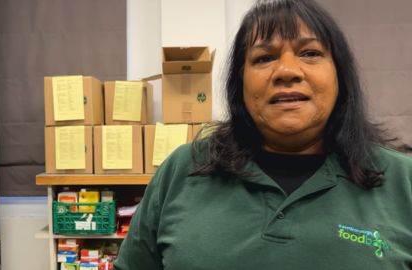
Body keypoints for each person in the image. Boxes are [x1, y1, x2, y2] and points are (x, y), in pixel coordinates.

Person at [113, 0, 412, 269]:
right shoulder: (183, 169)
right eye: (264, 58)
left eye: (310, 53)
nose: (286, 70)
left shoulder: (403, 181)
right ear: (240, 84)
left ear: (340, 77)